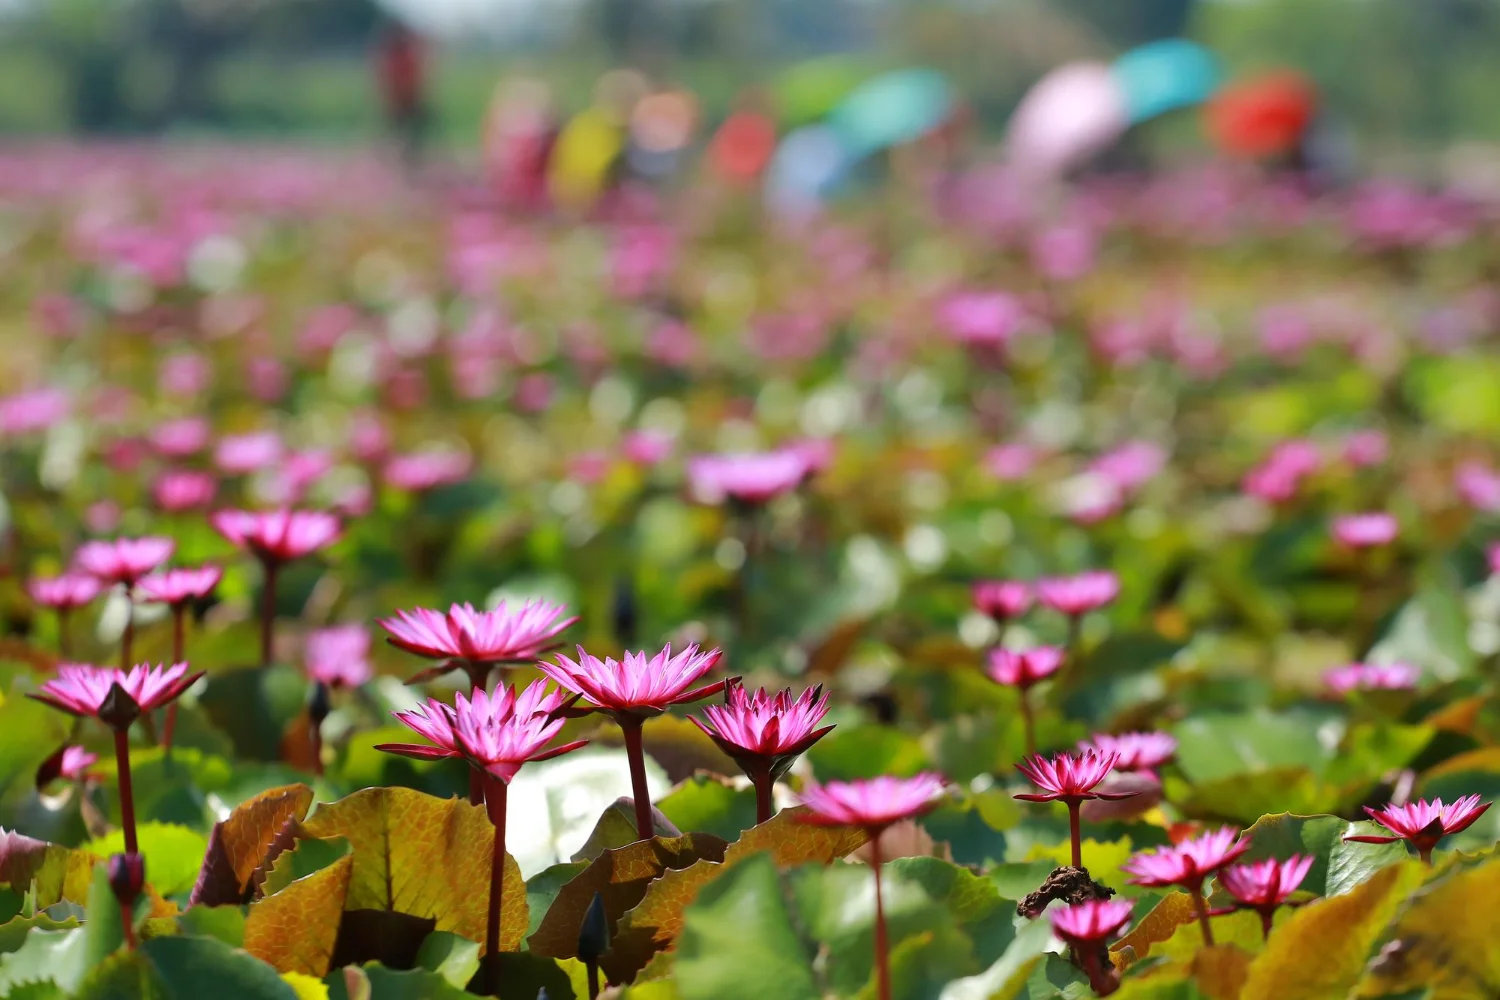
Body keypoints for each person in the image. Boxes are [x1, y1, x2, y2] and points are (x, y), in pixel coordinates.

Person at [375, 20, 428, 175]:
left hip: (408, 100)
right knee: (401, 133)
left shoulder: (403, 54)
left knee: (408, 134)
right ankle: (401, 161)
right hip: (401, 100)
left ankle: (405, 161)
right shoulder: (397, 55)